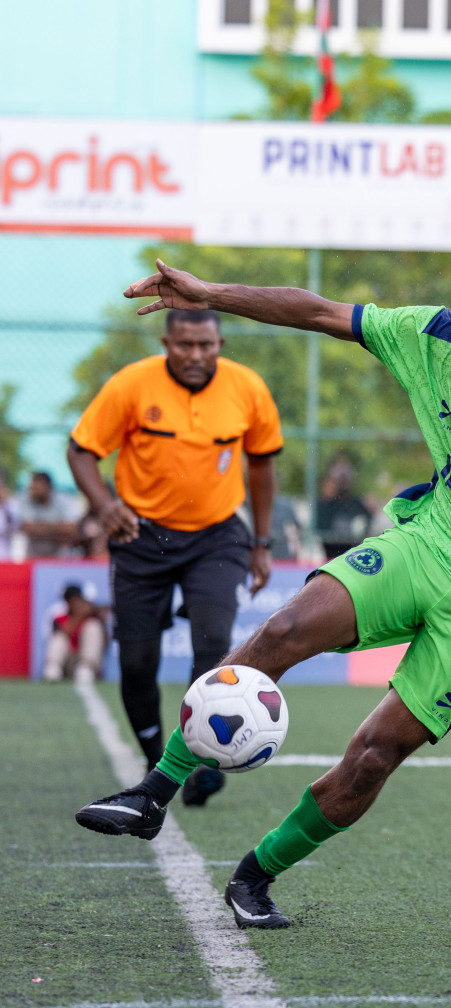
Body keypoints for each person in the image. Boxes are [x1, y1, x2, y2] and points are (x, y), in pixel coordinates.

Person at [75, 192, 451, 933]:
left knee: (375, 754)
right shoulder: (424, 334)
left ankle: (256, 876)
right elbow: (313, 310)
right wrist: (209, 293)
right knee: (284, 630)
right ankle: (154, 792)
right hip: (427, 542)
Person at [67, 308, 281, 811]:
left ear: (220, 342)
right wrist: (104, 506)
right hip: (139, 535)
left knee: (213, 651)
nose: (195, 355)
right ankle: (152, 761)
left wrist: (262, 543)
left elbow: (262, 463)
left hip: (216, 538)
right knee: (138, 664)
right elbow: (80, 451)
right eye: (184, 345)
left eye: (205, 345)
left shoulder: (247, 388)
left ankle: (198, 762)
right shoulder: (131, 385)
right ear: (167, 342)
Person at [314, 454, 377, 560]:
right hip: (331, 557)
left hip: (353, 557)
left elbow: (368, 524)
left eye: (346, 473)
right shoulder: (326, 504)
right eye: (339, 474)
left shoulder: (356, 503)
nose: (343, 478)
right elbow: (321, 530)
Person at [42, 584, 108, 683]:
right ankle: (53, 668)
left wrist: (100, 616)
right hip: (67, 663)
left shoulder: (93, 617)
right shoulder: (59, 618)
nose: (76, 603)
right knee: (59, 637)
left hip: (85, 662)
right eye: (71, 600)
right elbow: (67, 631)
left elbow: (105, 643)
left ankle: (87, 668)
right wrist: (80, 614)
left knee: (93, 627)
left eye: (78, 599)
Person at [16, 471, 82, 558]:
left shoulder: (63, 500)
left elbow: (72, 528)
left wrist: (39, 530)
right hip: (33, 557)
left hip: (59, 558)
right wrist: (58, 532)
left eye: (37, 488)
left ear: (48, 487)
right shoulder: (25, 500)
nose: (33, 491)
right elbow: (26, 527)